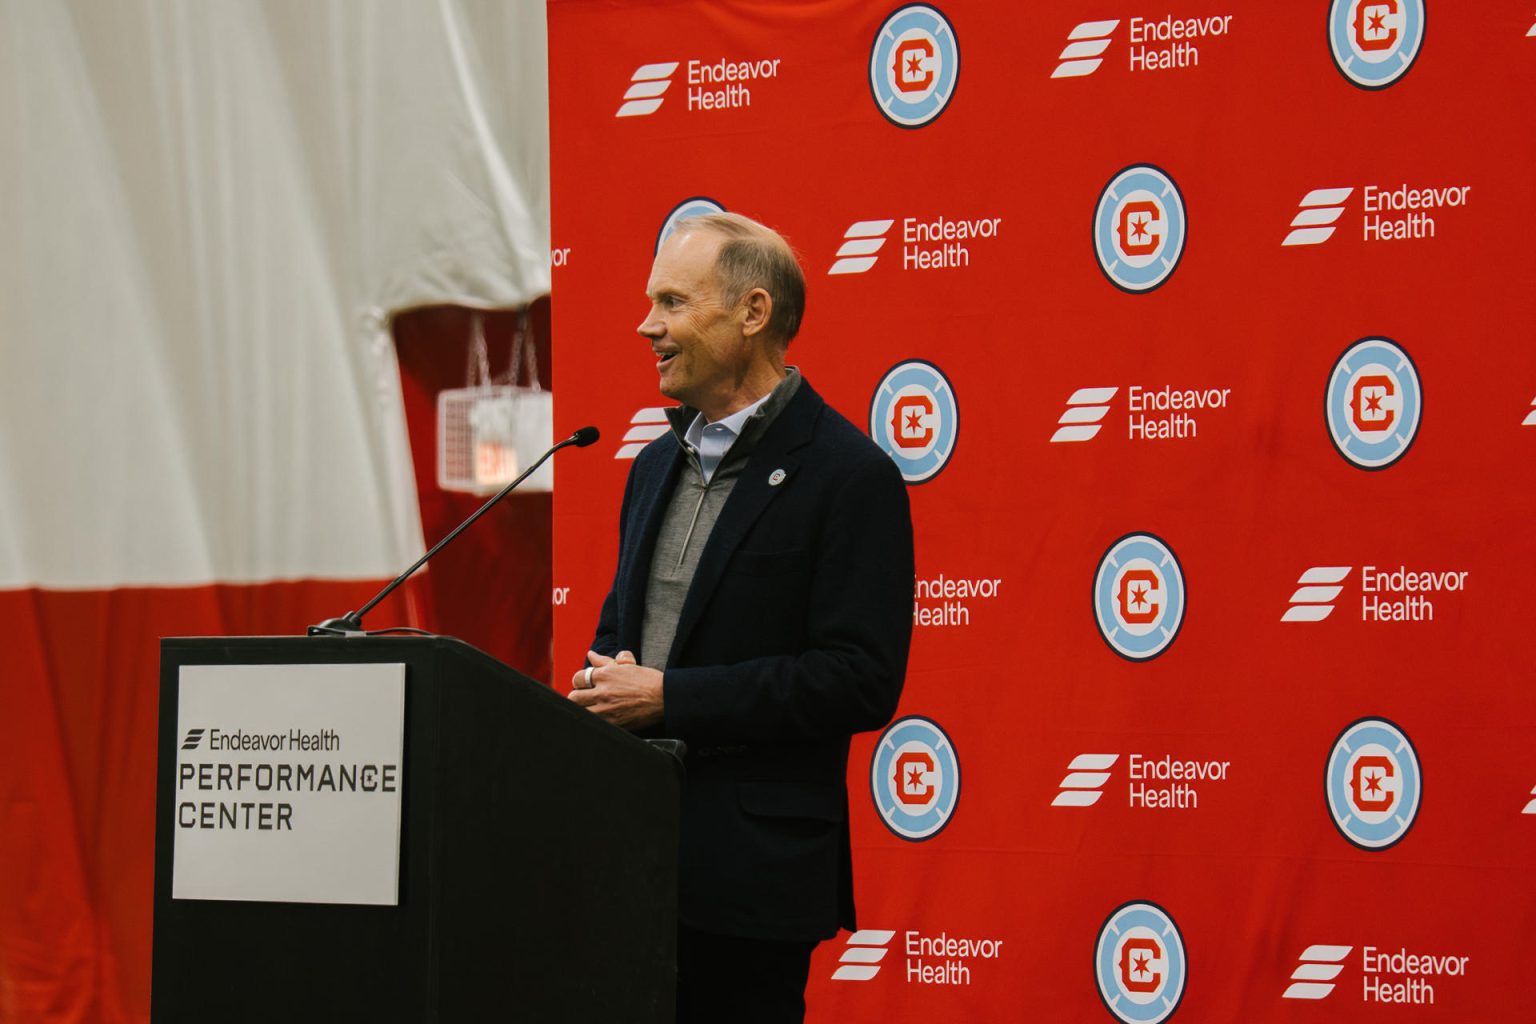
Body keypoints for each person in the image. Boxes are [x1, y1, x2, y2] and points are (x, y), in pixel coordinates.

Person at [567, 211, 914, 1023]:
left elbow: (858, 679)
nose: (646, 326)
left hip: (751, 880)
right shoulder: (653, 465)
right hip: (630, 865)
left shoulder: (848, 476)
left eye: (673, 303)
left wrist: (670, 698)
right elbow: (621, 640)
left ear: (753, 314)